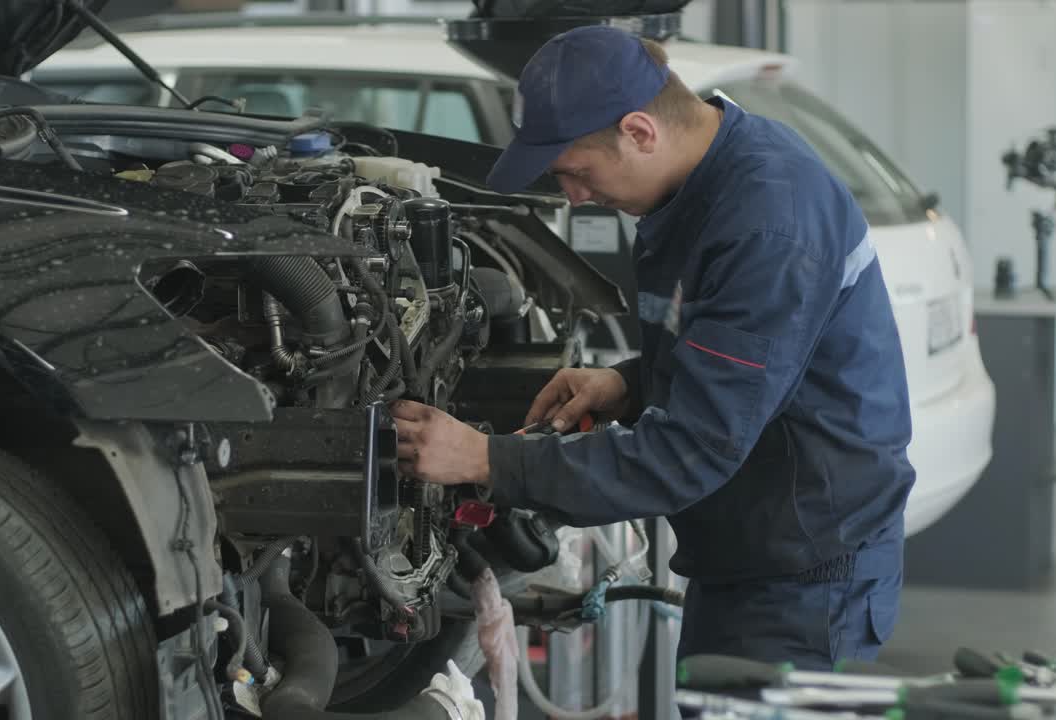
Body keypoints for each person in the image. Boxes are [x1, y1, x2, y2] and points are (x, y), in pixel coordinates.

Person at [391, 25, 915, 670]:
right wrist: (630, 384)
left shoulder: (767, 223)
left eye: (576, 172)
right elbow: (745, 354)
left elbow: (691, 451)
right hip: (757, 538)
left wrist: (486, 459)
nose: (574, 196)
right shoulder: (698, 184)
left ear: (640, 131)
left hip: (805, 571)